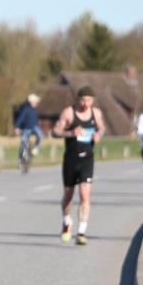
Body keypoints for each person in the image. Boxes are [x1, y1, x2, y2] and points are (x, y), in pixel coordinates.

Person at [52, 86, 104, 245]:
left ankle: (81, 232)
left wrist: (98, 135)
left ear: (92, 100)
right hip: (71, 158)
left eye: (88, 100)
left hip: (87, 159)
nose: (85, 103)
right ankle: (67, 221)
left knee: (84, 195)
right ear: (78, 99)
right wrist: (70, 133)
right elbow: (55, 131)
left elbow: (101, 128)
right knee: (68, 195)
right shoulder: (69, 112)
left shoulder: (96, 113)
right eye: (82, 99)